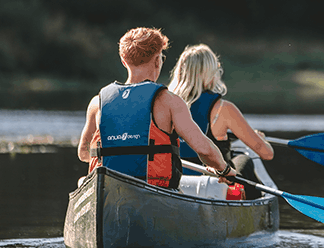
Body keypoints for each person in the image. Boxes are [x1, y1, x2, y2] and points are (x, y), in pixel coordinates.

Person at [76, 28, 232, 189]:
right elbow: (203, 149)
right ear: (158, 60)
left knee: (83, 181)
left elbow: (84, 153)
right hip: (154, 190)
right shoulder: (169, 101)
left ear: (123, 60)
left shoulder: (97, 102)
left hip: (107, 190)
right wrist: (224, 169)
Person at [168, 44, 274, 198]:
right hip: (213, 180)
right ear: (210, 72)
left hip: (176, 177)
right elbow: (267, 154)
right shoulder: (223, 108)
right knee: (244, 159)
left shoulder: (166, 104)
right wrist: (261, 140)